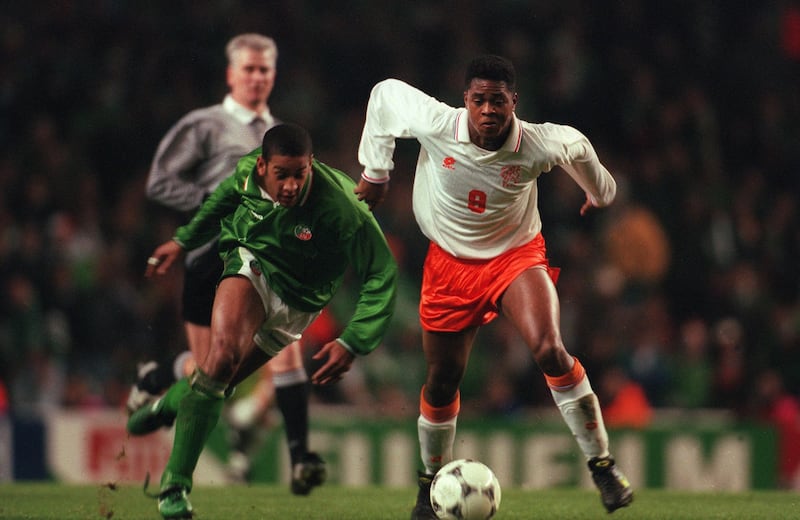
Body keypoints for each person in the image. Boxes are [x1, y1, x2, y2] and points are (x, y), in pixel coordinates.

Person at [354, 54, 634, 517]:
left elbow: (578, 147)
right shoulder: (438, 123)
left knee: (549, 348)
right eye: (479, 100)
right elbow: (385, 94)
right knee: (442, 382)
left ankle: (602, 465)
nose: (488, 110)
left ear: (513, 103)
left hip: (515, 257)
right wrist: (376, 171)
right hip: (448, 266)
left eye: (497, 101)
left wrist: (600, 192)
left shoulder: (537, 143)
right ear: (465, 100)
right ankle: (429, 484)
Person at [127, 123, 398, 519]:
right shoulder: (246, 172)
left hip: (300, 304)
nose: (290, 185)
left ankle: (166, 406)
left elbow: (381, 271)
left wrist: (354, 340)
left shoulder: (341, 206)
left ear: (311, 166)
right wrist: (183, 239)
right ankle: (174, 489)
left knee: (219, 381)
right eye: (281, 175)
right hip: (252, 263)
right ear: (262, 168)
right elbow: (223, 199)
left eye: (299, 174)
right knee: (220, 358)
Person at [126, 33, 324, 491]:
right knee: (212, 372)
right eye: (248, 69)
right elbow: (159, 182)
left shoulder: (279, 137)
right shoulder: (206, 125)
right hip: (211, 257)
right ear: (230, 74)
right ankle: (161, 376)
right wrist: (217, 201)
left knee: (285, 347)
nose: (256, 77)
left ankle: (299, 459)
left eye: (264, 70)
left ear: (274, 75)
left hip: (266, 259)